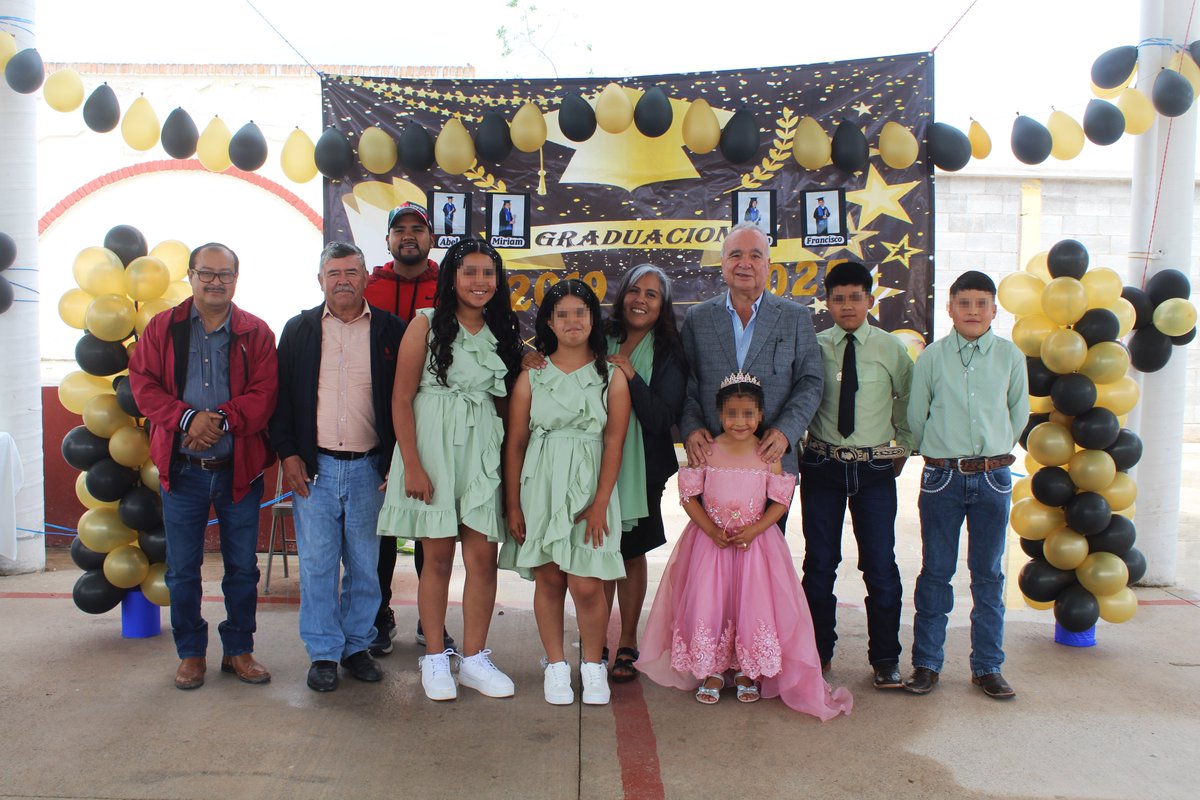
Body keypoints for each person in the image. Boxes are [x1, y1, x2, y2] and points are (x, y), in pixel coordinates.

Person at [637, 373, 852, 719]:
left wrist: (755, 530)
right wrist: (710, 529)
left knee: (751, 604)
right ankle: (711, 668)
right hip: (711, 545)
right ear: (720, 415)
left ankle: (746, 670)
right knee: (713, 602)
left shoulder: (767, 453)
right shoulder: (707, 451)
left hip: (756, 546)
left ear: (761, 415)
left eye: (748, 414)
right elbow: (689, 496)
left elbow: (780, 501)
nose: (740, 422)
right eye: (732, 414)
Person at [377, 238, 523, 701]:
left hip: (481, 450)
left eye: (488, 274)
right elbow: (400, 398)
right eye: (470, 272)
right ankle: (436, 656)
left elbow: (506, 404)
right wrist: (413, 465)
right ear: (452, 278)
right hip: (433, 450)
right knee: (436, 557)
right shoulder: (423, 325)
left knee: (481, 558)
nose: (480, 282)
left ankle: (476, 658)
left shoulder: (504, 332)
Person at [128, 243, 277, 690]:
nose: (215, 282)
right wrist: (188, 419)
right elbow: (143, 385)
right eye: (206, 273)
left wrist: (222, 419)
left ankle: (238, 650)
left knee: (242, 568)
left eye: (224, 275)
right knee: (182, 570)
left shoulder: (256, 332)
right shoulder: (162, 328)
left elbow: (265, 393)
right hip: (183, 470)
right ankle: (191, 654)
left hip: (238, 469)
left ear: (237, 278)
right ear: (190, 276)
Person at [270, 242, 405, 692]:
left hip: (371, 469)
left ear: (367, 278)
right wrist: (289, 454)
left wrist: (398, 460)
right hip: (316, 470)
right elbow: (281, 399)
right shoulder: (299, 330)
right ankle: (324, 653)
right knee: (318, 565)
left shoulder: (391, 331)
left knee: (366, 566)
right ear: (320, 280)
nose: (343, 280)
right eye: (334, 273)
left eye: (351, 271)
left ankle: (356, 647)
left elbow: (408, 402)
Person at [502, 279, 631, 706]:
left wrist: (599, 503)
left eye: (580, 312)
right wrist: (514, 503)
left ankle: (593, 665)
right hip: (541, 483)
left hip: (591, 485)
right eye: (562, 314)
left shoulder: (610, 374)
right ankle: (556, 665)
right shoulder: (533, 375)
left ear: (593, 318)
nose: (572, 321)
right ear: (549, 323)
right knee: (550, 577)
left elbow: (614, 441)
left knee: (588, 583)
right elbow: (516, 441)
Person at [904, 270, 1028, 700]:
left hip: (993, 477)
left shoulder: (1011, 357)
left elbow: (1018, 414)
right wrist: (943, 453)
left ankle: (988, 665)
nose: (973, 311)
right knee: (936, 571)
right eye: (964, 303)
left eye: (981, 304)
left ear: (995, 309)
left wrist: (992, 452)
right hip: (942, 478)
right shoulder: (932, 358)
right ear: (950, 308)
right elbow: (916, 418)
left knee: (988, 574)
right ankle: (926, 663)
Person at [800, 262, 913, 690]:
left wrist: (899, 448)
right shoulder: (814, 346)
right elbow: (801, 399)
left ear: (870, 300)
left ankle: (885, 658)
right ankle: (817, 652)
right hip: (822, 466)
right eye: (838, 297)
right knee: (819, 565)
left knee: (880, 566)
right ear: (827, 302)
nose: (847, 305)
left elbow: (909, 401)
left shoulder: (891, 349)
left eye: (856, 297)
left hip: (874, 469)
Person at [680, 222, 822, 525]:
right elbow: (686, 383)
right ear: (722, 263)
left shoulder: (795, 317)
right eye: (735, 255)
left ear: (768, 264)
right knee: (714, 558)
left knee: (762, 559)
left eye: (755, 255)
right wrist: (691, 428)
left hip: (772, 461)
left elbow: (810, 381)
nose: (745, 263)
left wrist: (786, 431)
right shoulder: (698, 317)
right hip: (713, 462)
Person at [362, 202, 448, 656]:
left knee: (430, 528)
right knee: (381, 530)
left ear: (432, 238)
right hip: (378, 420)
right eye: (400, 230)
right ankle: (379, 617)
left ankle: (430, 622)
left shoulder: (447, 288)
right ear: (389, 240)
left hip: (433, 421)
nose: (408, 236)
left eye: (418, 228)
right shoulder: (368, 287)